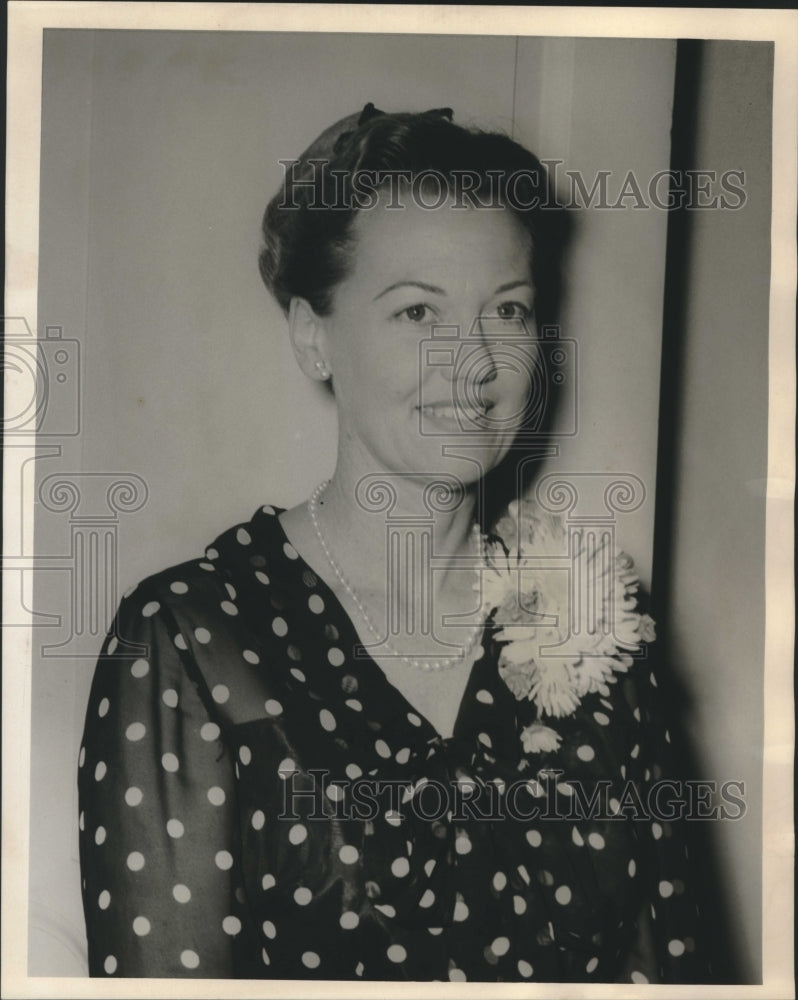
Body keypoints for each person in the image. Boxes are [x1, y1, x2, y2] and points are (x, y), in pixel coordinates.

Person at [78, 104, 707, 982]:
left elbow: (668, 965)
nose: (475, 362)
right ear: (314, 337)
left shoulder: (600, 631)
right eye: (417, 312)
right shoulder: (192, 640)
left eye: (510, 310)